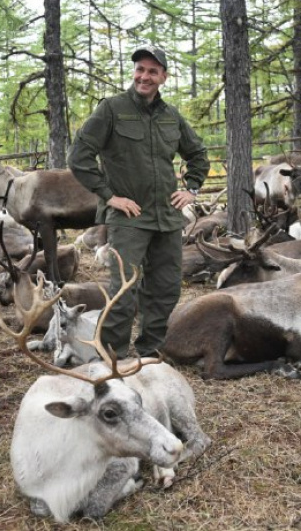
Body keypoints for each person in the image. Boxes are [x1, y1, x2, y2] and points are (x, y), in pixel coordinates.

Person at [68, 45, 210, 359]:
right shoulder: (112, 109)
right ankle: (113, 357)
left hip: (168, 217)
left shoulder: (171, 116)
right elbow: (79, 157)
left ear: (163, 77)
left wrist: (192, 188)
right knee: (123, 291)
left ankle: (149, 352)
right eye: (140, 69)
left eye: (152, 71)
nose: (144, 76)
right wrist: (109, 196)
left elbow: (198, 154)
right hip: (129, 219)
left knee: (166, 287)